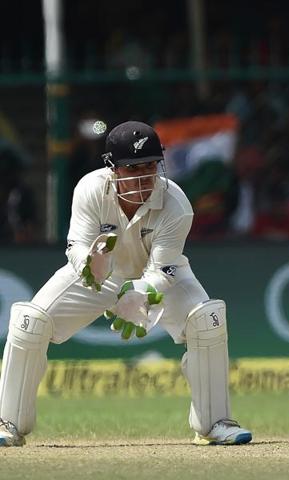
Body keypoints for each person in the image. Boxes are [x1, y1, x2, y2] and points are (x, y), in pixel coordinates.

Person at [0, 121, 252, 447]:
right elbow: (76, 245)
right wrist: (89, 264)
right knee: (30, 321)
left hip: (158, 276)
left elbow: (164, 269)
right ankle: (9, 423)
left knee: (206, 319)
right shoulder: (90, 189)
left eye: (149, 166)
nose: (142, 177)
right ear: (112, 168)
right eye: (132, 168)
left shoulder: (176, 204)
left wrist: (140, 294)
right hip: (98, 278)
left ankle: (215, 422)